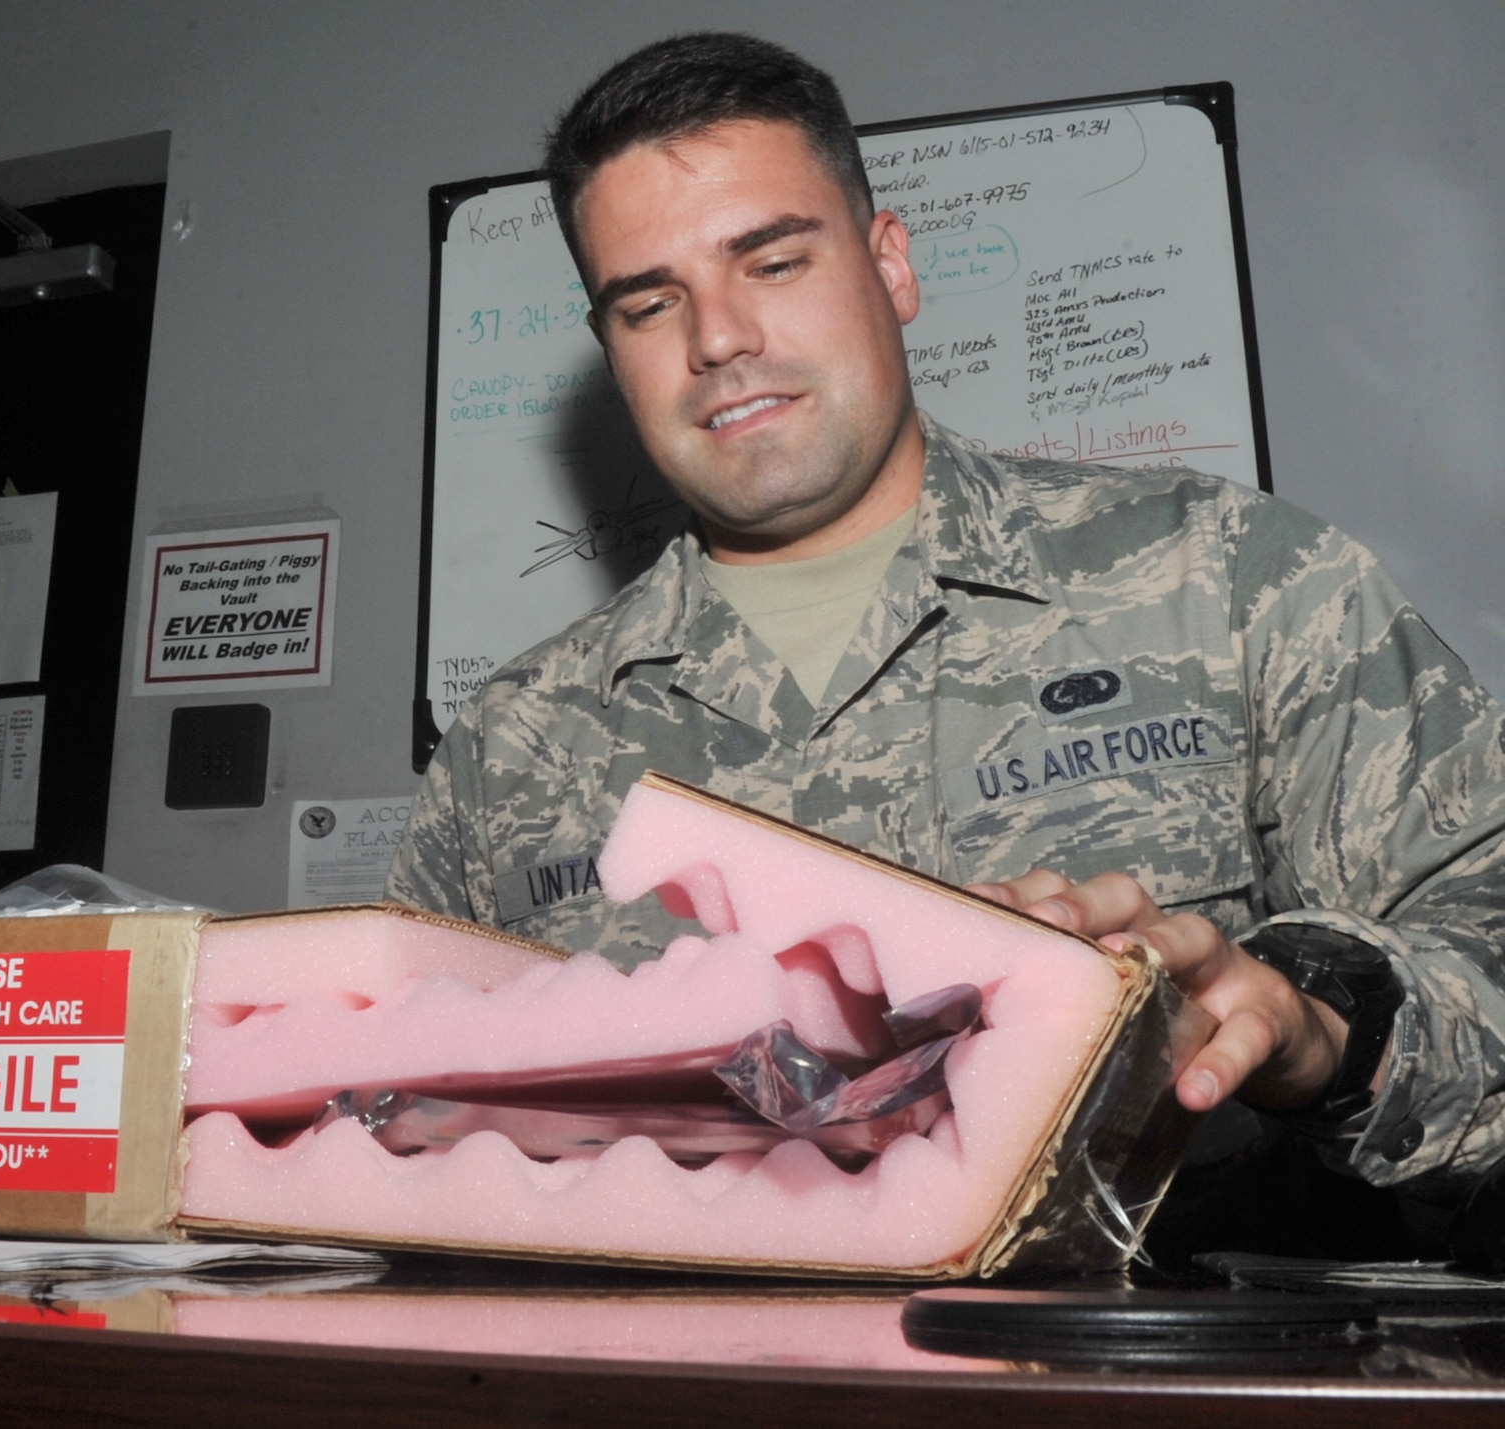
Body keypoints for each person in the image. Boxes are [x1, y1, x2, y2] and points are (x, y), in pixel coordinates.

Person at [387, 32, 1505, 1207]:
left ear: (890, 267)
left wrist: (1319, 1024)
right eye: (648, 303)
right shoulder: (512, 748)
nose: (715, 339)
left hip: (1142, 1369)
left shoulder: (1222, 577)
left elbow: (1482, 924)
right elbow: (405, 1114)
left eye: (770, 262)